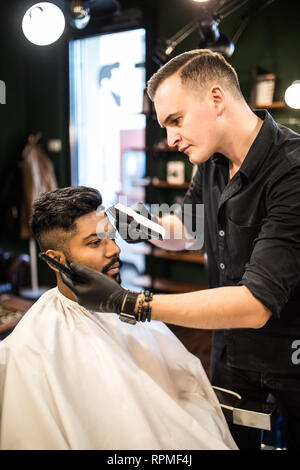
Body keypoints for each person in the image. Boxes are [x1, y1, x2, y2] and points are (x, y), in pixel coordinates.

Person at [61, 50, 300, 450]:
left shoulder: (292, 171)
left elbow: (255, 304)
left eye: (176, 120)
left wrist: (132, 303)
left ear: (216, 99)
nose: (170, 139)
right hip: (228, 353)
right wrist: (141, 224)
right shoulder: (210, 160)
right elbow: (188, 229)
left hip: (287, 361)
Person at [0, 186, 237, 450]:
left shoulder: (131, 308)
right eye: (94, 242)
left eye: (111, 237)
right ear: (55, 260)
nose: (114, 250)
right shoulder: (28, 350)